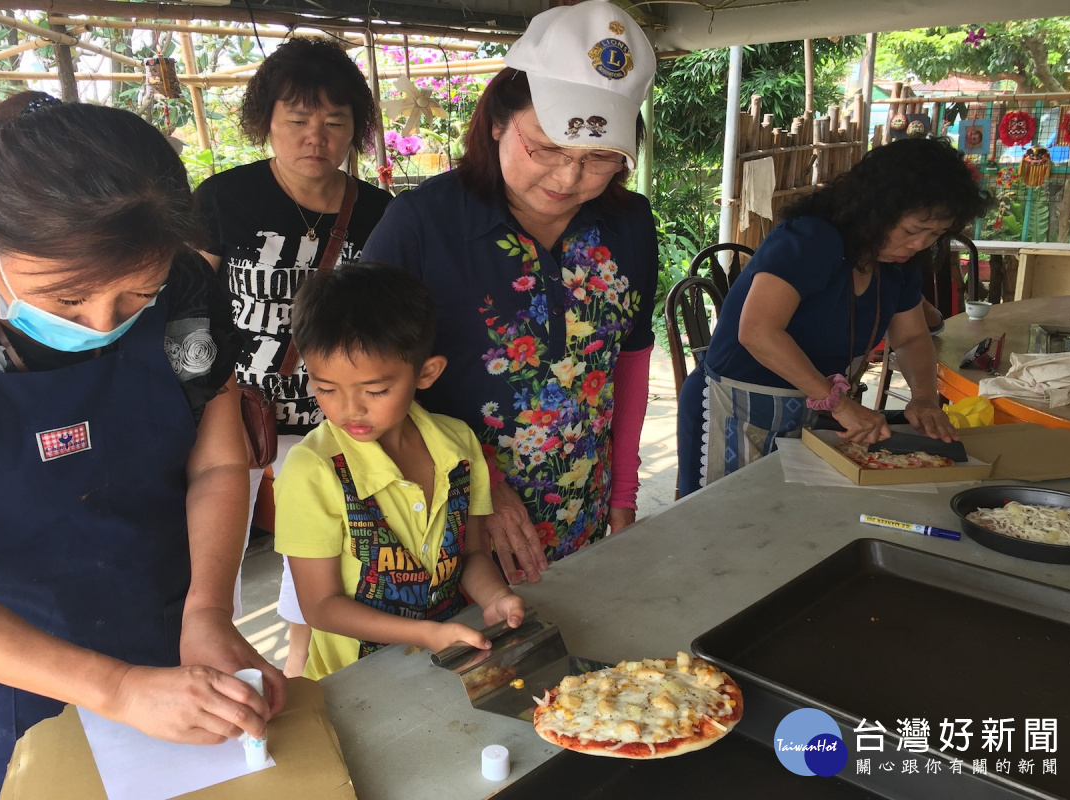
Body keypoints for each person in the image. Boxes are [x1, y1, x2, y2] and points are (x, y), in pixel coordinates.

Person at [0, 92, 285, 800]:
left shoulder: (186, 290)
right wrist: (118, 689)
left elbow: (219, 460)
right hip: (5, 660)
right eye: (67, 298)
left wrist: (209, 612)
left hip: (171, 615)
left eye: (136, 297)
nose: (103, 324)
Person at [363, 0, 659, 583]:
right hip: (445, 515)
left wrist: (622, 494)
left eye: (600, 157)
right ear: (498, 120)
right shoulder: (421, 225)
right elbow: (360, 380)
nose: (569, 178)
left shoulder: (628, 224)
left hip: (581, 507)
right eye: (546, 148)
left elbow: (631, 360)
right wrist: (481, 484)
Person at [193, 37, 392, 677]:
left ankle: (302, 666)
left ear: (355, 130)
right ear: (267, 124)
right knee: (210, 551)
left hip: (332, 414)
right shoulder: (225, 199)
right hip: (234, 410)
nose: (317, 137)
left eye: (335, 122)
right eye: (298, 120)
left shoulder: (380, 213)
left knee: (319, 546)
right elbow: (188, 304)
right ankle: (210, 663)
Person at [676, 137, 991, 497]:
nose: (919, 245)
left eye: (934, 235)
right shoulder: (812, 239)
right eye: (911, 231)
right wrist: (839, 404)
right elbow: (759, 331)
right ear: (877, 209)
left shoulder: (896, 267)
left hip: (808, 412)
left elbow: (911, 337)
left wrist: (923, 398)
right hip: (736, 405)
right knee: (724, 524)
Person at [271, 264, 526, 679]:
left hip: (445, 661)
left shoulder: (459, 446)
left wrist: (495, 596)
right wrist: (425, 634)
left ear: (426, 373)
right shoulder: (312, 470)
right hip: (353, 680)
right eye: (326, 389)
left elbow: (471, 555)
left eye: (374, 391)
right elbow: (320, 606)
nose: (349, 409)